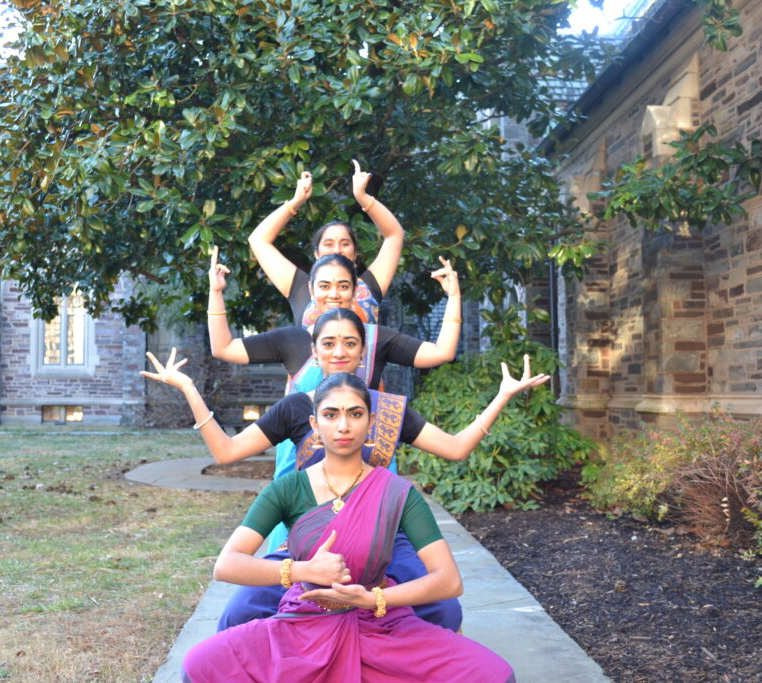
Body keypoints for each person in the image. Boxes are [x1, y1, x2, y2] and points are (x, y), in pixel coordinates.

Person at [142, 308, 551, 632]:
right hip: (308, 543)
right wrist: (190, 390)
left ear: (362, 351)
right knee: (239, 614)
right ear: (314, 350)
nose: (339, 351)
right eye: (329, 343)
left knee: (444, 610)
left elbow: (456, 448)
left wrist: (501, 397)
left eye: (350, 343)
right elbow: (227, 451)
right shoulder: (296, 407)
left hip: (384, 538)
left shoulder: (386, 409)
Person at [178, 373, 517, 682]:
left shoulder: (397, 492)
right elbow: (227, 564)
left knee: (494, 674)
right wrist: (302, 570)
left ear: (371, 422)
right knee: (200, 664)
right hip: (302, 623)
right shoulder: (288, 489)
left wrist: (373, 598)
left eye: (355, 414)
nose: (343, 426)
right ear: (314, 424)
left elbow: (449, 580)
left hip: (380, 626)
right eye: (331, 415)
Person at [207, 247, 461, 392]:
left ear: (355, 290)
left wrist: (453, 296)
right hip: (304, 464)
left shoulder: (376, 339)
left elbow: (442, 353)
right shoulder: (291, 340)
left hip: (366, 461)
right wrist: (216, 292)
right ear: (311, 290)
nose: (334, 294)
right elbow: (224, 348)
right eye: (325, 286)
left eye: (343, 286)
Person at [248, 160, 403, 325]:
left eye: (345, 244)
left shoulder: (369, 284)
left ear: (355, 253)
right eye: (328, 244)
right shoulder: (300, 287)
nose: (337, 249)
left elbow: (395, 235)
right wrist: (296, 201)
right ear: (316, 254)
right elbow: (258, 239)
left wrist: (362, 197)